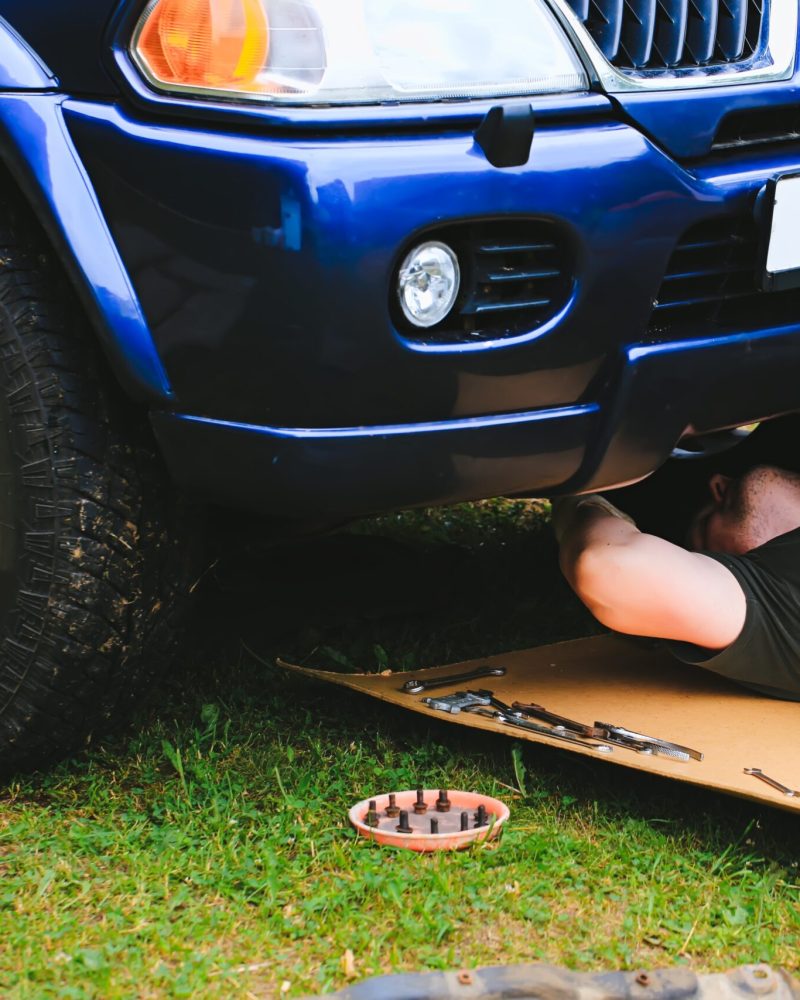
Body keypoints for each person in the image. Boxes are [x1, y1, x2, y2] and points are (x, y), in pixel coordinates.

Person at [553, 458, 800, 700]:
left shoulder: (787, 613)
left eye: (706, 527)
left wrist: (580, 500)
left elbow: (612, 567)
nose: (718, 484)